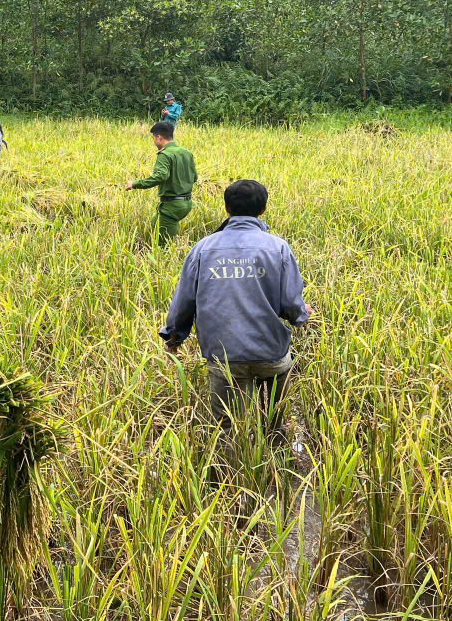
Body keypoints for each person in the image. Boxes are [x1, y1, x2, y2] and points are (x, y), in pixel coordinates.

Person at [159, 180, 312, 432]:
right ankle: (273, 463)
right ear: (263, 209)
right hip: (270, 353)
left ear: (227, 208)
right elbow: (291, 304)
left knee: (226, 427)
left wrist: (174, 337)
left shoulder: (203, 249)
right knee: (272, 423)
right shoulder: (278, 248)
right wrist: (302, 315)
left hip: (224, 355)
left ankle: (228, 469)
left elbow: (185, 300)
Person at [126, 122, 198, 245]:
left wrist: (135, 184)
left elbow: (160, 176)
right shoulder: (186, 153)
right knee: (155, 225)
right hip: (186, 203)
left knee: (163, 244)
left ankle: (167, 259)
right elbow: (195, 177)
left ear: (159, 137)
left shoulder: (164, 154)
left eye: (154, 138)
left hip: (172, 205)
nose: (154, 142)